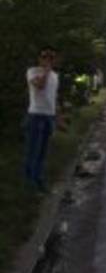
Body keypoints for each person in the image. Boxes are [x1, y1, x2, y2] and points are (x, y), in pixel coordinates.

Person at [24, 46, 60, 192]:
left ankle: (38, 181)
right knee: (33, 151)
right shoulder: (32, 72)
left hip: (49, 117)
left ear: (55, 59)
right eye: (44, 56)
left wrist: (59, 117)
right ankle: (30, 184)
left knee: (42, 153)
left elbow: (53, 97)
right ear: (39, 58)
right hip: (36, 116)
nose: (47, 59)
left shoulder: (55, 76)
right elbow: (39, 86)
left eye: (51, 57)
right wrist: (45, 71)